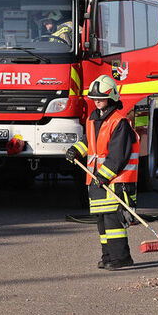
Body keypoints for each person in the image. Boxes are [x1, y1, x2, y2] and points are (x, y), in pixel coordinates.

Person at [65, 75, 139, 270]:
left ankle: (121, 258)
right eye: (95, 98)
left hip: (115, 181)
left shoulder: (119, 122)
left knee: (113, 222)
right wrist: (75, 150)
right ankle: (108, 256)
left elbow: (118, 155)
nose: (97, 101)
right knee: (102, 222)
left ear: (111, 98)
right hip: (97, 180)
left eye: (101, 98)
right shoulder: (93, 119)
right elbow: (89, 142)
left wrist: (103, 175)